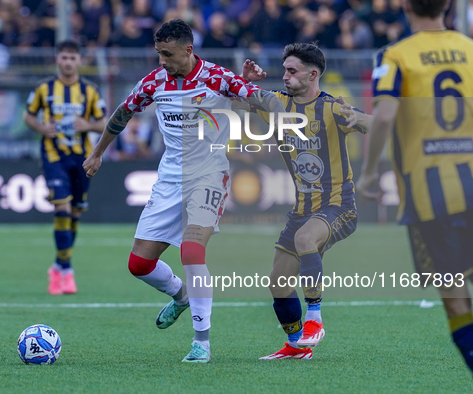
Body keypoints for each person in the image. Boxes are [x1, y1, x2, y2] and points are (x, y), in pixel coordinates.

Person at [82, 19, 286, 363]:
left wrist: (280, 112)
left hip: (209, 174)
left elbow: (260, 101)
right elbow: (123, 112)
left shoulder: (217, 78)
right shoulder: (154, 81)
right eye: (159, 53)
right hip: (169, 179)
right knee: (138, 264)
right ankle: (182, 295)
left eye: (168, 54)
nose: (162, 60)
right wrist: (98, 152)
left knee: (191, 251)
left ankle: (201, 343)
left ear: (188, 50)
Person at [357, 0, 473, 384]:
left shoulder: (394, 56)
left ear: (406, 7)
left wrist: (368, 173)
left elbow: (386, 113)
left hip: (430, 195)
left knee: (457, 300)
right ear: (447, 6)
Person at [245, 43, 370, 360]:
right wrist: (243, 81)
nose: (285, 76)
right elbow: (236, 97)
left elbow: (378, 125)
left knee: (305, 238)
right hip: (302, 209)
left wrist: (359, 117)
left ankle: (315, 318)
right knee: (278, 285)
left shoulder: (331, 109)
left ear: (312, 74)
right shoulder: (277, 104)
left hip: (339, 205)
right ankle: (297, 346)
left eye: (292, 71)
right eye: (284, 70)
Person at [24, 40, 107, 295]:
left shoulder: (90, 92)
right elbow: (28, 115)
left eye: (73, 58)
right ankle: (67, 270)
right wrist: (40, 128)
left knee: (75, 213)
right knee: (61, 206)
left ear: (79, 61)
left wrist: (88, 126)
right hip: (53, 156)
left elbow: (104, 121)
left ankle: (58, 265)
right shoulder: (44, 89)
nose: (69, 62)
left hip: (82, 158)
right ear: (57, 59)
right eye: (64, 57)